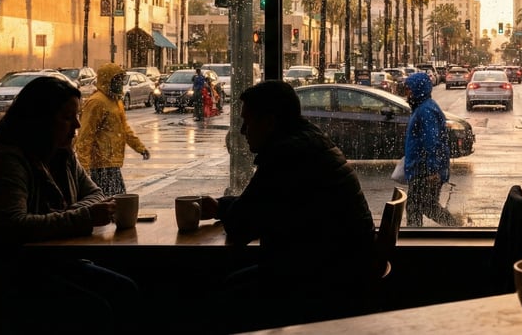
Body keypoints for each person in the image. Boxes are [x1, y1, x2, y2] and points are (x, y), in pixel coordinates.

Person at [0, 76, 140, 334]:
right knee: (97, 308)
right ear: (40, 119)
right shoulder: (6, 162)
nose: (77, 125)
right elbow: (14, 226)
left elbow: (96, 194)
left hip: (36, 266)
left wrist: (71, 215)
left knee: (124, 289)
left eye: (76, 116)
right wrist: (81, 216)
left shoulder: (61, 155)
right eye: (67, 118)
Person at [197, 81, 376, 331]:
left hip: (322, 281)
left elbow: (242, 226)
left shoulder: (287, 155)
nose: (242, 130)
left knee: (218, 295)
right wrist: (222, 207)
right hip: (344, 269)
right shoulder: (310, 141)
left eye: (248, 121)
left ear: (269, 122)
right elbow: (263, 206)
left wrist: (222, 209)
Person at [74, 63, 150, 196]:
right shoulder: (97, 102)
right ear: (107, 81)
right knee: (109, 204)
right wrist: (84, 167)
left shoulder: (116, 101)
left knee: (119, 203)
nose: (120, 83)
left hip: (112, 164)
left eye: (121, 80)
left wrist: (140, 147)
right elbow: (85, 136)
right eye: (117, 80)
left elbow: (124, 129)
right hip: (99, 165)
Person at [402, 72, 460, 227]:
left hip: (424, 169)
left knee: (421, 206)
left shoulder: (425, 110)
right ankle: (452, 229)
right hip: (420, 168)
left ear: (417, 89)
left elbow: (432, 142)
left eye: (409, 89)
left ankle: (455, 229)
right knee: (420, 206)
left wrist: (433, 170)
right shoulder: (422, 107)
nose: (407, 93)